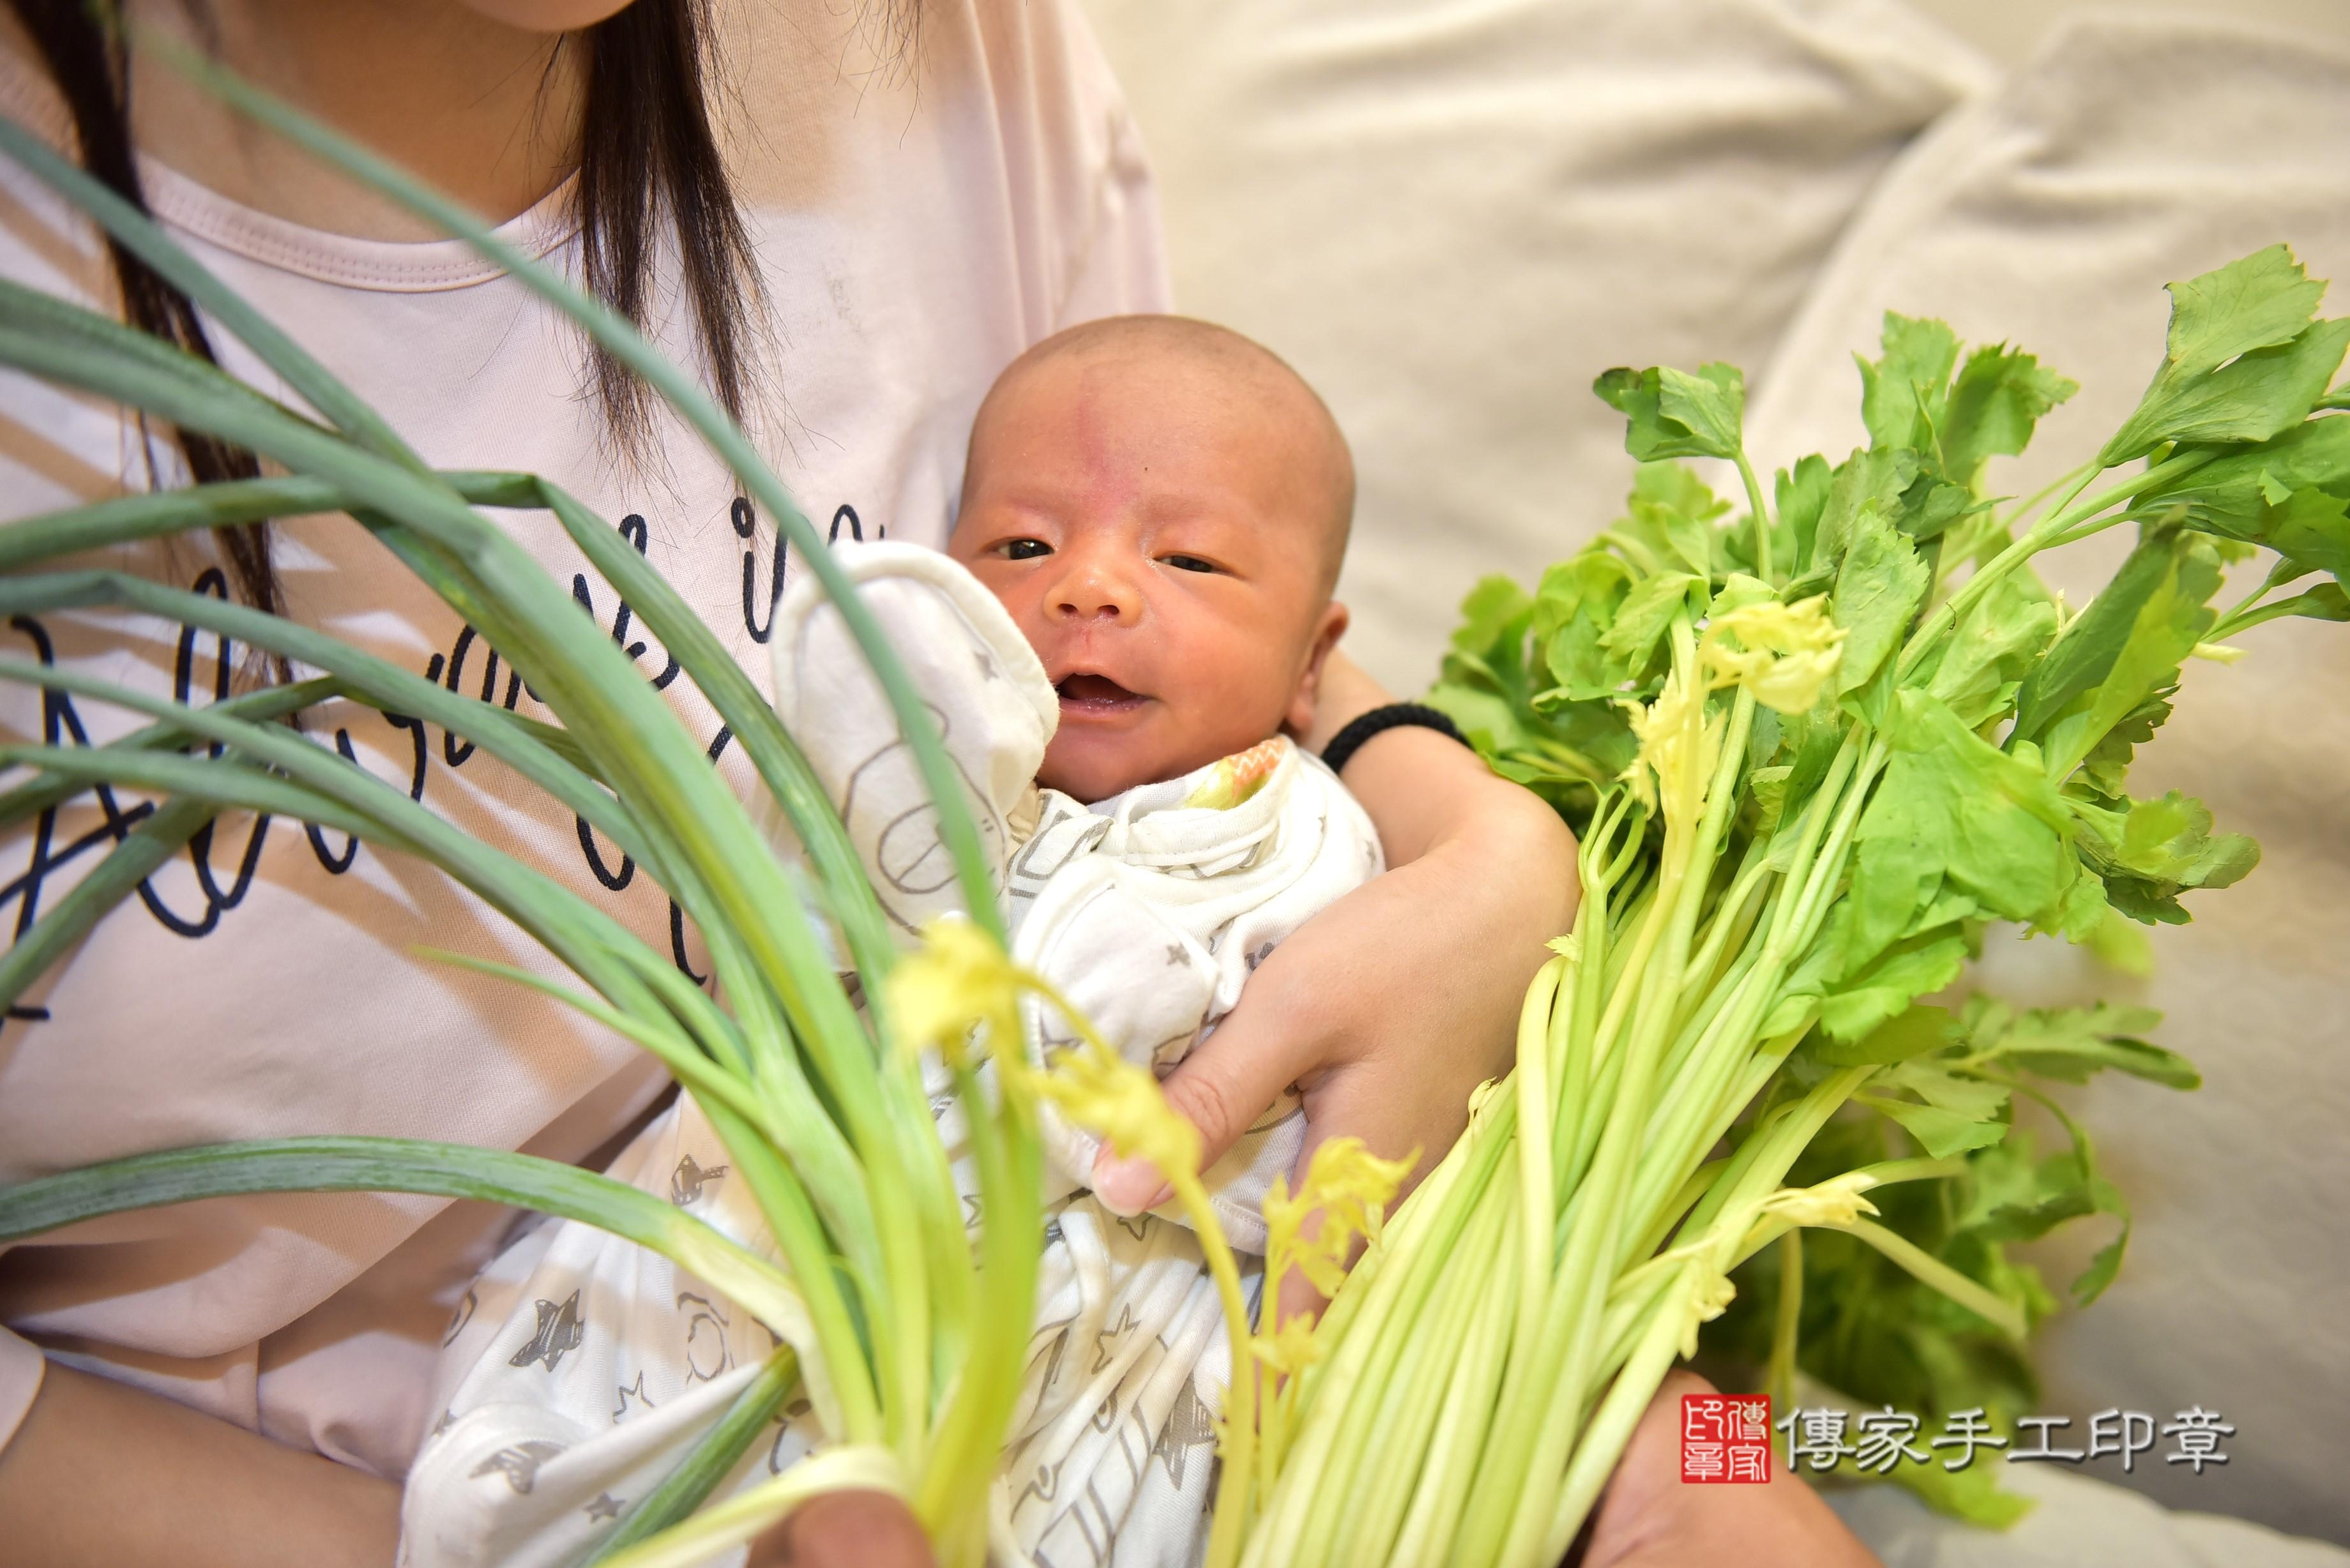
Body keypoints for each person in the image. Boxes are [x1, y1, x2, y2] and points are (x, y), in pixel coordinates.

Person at [0, 3, 1575, 1565]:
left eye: (1158, 563)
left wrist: (1481, 848)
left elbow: (1205, 620)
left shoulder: (940, 46)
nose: (1087, 587)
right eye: (1016, 549)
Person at [403, 313, 1380, 1568]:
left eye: (1187, 561)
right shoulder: (907, 773)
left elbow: (1200, 1028)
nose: (1089, 584)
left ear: (1313, 661)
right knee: (586, 1389)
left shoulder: (1293, 824)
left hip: (1086, 1302)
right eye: (1021, 547)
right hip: (790, 1223)